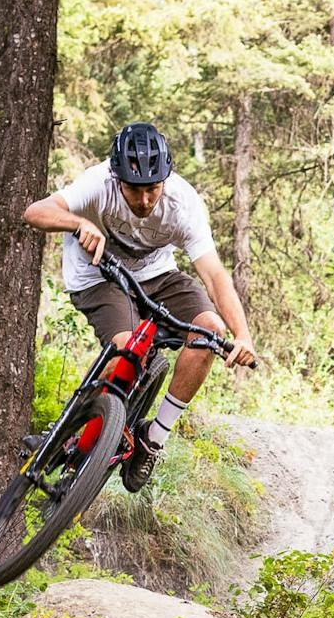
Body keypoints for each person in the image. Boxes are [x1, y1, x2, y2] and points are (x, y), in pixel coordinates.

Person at [22, 122, 257, 492]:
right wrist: (78, 222)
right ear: (117, 179)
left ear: (167, 178)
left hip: (157, 275)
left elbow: (214, 275)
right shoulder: (97, 183)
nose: (145, 200)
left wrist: (242, 335)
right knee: (126, 348)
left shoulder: (184, 202)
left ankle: (153, 439)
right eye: (135, 189)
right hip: (99, 277)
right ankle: (68, 432)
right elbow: (36, 211)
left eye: (153, 189)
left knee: (211, 330)